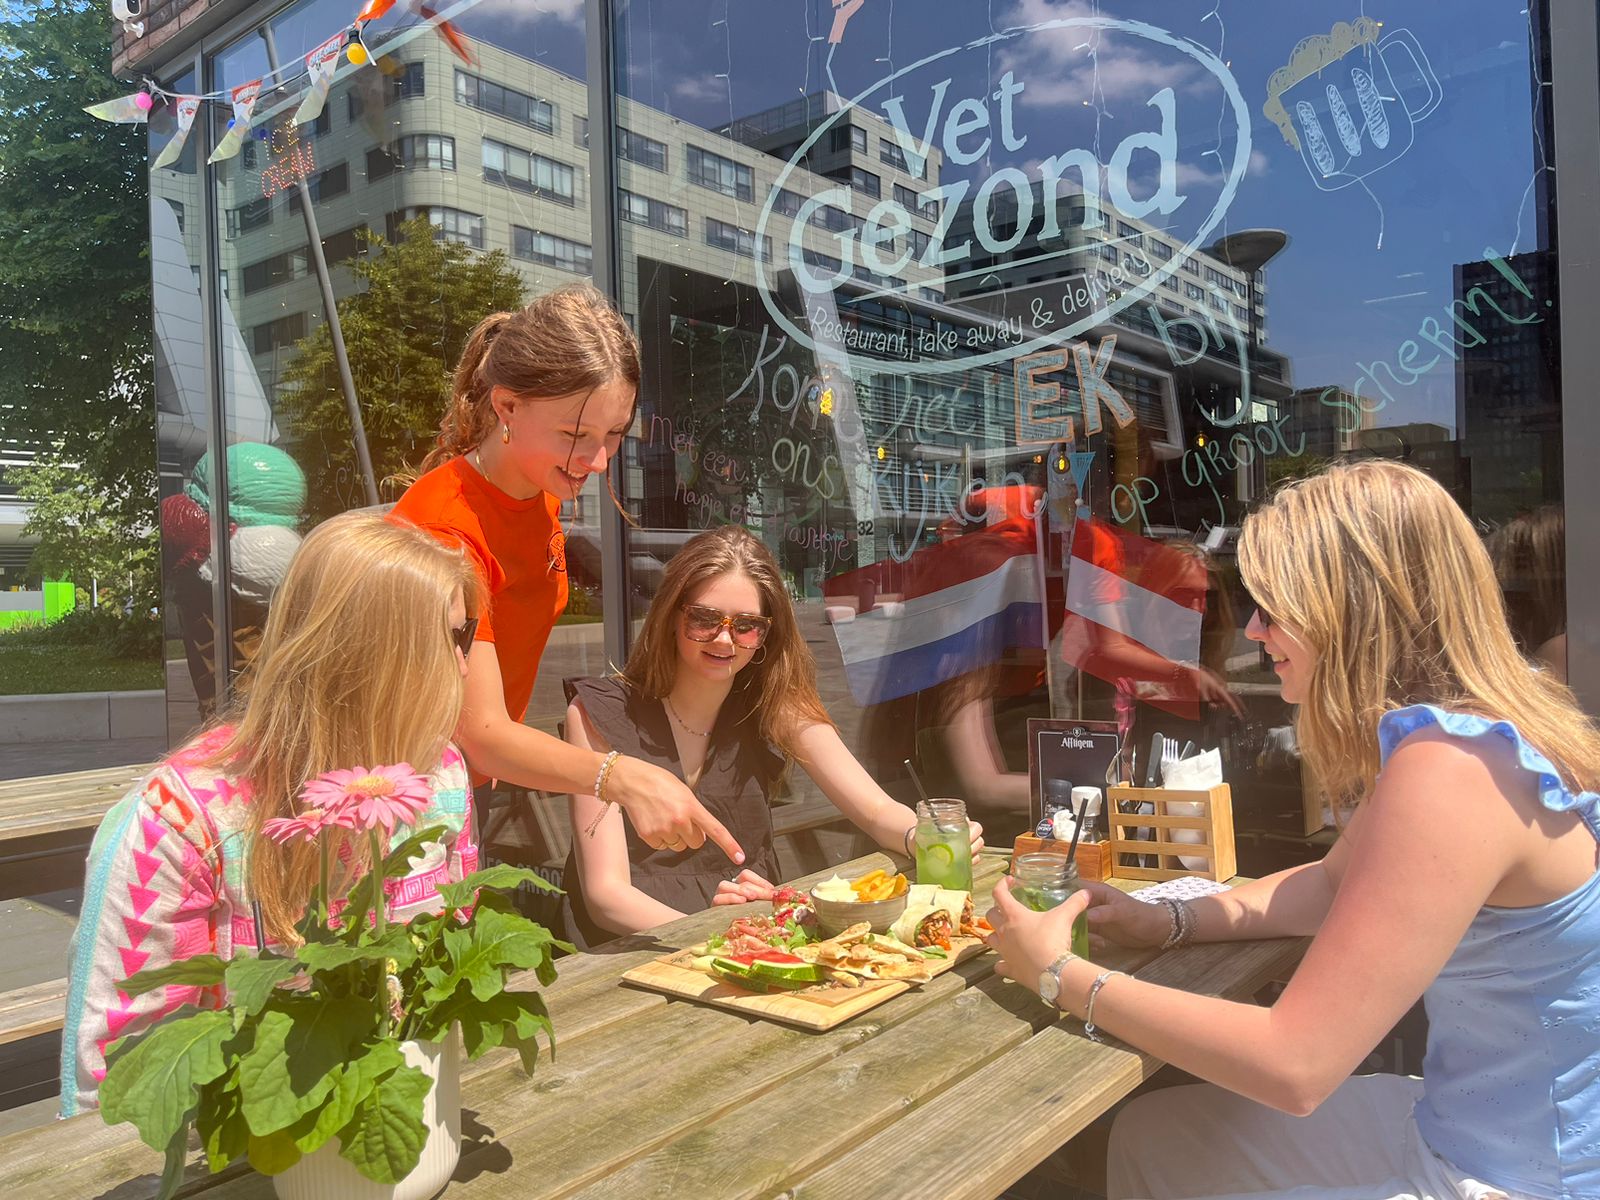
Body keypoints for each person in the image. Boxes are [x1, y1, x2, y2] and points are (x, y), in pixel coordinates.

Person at [984, 461, 1599, 1200]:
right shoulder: (1474, 734)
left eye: (1274, 608)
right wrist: (1168, 920)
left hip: (1514, 1178)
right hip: (1465, 1127)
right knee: (1151, 1137)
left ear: (1354, 611)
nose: (1252, 629)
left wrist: (1056, 972)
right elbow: (1332, 884)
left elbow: (1294, 1065)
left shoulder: (1451, 771)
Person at [61, 513, 483, 1115]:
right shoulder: (178, 821)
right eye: (455, 639)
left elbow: (451, 957)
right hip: (240, 1145)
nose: (467, 666)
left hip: (407, 1122)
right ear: (372, 658)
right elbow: (118, 1074)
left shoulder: (441, 775)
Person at [390, 284, 743, 865]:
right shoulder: (445, 531)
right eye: (576, 435)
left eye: (614, 434)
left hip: (463, 778)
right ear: (507, 407)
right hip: (403, 795)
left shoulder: (539, 488)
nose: (598, 460)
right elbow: (481, 732)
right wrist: (620, 777)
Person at [561, 526, 984, 946]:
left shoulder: (772, 702)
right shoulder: (599, 713)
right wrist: (717, 935)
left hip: (751, 933)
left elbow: (873, 808)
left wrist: (922, 836)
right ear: (672, 615)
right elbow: (605, 897)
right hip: (635, 947)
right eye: (704, 619)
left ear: (766, 633)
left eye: (746, 626)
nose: (724, 638)